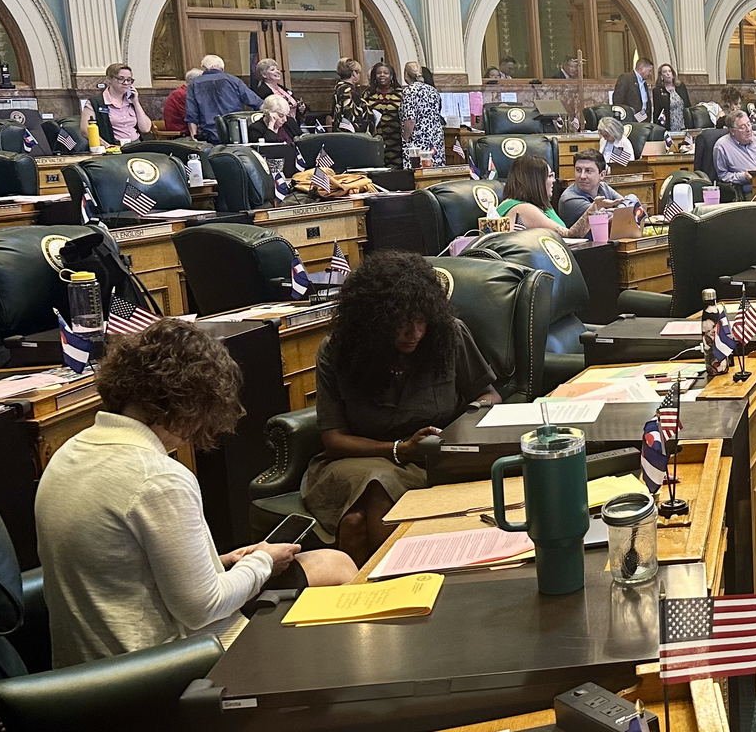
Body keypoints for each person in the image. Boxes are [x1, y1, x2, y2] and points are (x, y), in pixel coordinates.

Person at [36, 321, 356, 666]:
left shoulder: (69, 452)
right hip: (161, 666)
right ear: (191, 403)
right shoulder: (158, 478)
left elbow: (122, 569)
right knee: (338, 593)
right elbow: (203, 608)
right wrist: (264, 561)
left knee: (333, 563)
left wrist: (221, 562)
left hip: (87, 666)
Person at [303, 252, 502, 560]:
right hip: (361, 459)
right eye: (402, 322)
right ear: (375, 319)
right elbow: (334, 439)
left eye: (422, 320)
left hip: (431, 457)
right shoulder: (337, 350)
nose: (415, 333)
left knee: (354, 523)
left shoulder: (449, 334)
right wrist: (398, 449)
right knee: (377, 482)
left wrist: (454, 434)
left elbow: (489, 396)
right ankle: (403, 577)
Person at [496, 155, 591, 237]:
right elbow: (571, 235)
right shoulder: (523, 209)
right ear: (535, 182)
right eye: (549, 176)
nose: (554, 180)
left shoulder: (542, 205)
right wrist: (594, 209)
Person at [185, 54, 263, 143]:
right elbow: (257, 103)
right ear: (222, 67)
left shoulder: (194, 84)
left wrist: (194, 136)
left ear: (204, 67)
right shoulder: (234, 80)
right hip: (235, 132)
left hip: (209, 134)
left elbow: (191, 114)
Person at [83, 62, 153, 145]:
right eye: (120, 79)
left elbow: (145, 129)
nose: (125, 83)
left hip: (136, 144)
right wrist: (107, 146)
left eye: (129, 80)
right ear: (109, 79)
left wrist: (136, 102)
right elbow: (85, 130)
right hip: (113, 145)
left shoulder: (131, 100)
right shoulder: (96, 102)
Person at [713, 110, 756, 195]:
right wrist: (743, 177)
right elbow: (723, 176)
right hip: (753, 188)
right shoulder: (722, 147)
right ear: (732, 131)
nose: (748, 129)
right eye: (743, 127)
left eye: (749, 124)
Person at [558, 149, 624, 223]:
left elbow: (630, 201)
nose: (582, 176)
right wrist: (620, 210)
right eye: (578, 170)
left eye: (588, 171)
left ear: (602, 175)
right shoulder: (570, 199)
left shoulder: (603, 187)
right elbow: (612, 217)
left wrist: (621, 209)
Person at [400, 61, 444, 167]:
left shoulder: (409, 91)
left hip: (418, 140)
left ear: (406, 74)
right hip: (435, 138)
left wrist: (405, 138)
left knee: (417, 171)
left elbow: (410, 120)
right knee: (434, 170)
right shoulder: (433, 91)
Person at [250, 57, 303, 138]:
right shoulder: (261, 91)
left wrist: (301, 108)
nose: (277, 71)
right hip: (277, 126)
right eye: (272, 69)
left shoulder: (284, 89)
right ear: (264, 75)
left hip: (292, 125)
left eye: (277, 69)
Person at [365, 61, 404, 165]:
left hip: (396, 140)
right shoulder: (368, 94)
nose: (382, 75)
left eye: (386, 73)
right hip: (375, 140)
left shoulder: (401, 93)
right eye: (379, 73)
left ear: (391, 76)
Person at [331, 57, 369, 132]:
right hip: (349, 133)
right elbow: (352, 116)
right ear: (354, 73)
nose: (359, 75)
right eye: (358, 72)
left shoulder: (338, 88)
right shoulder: (348, 92)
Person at [159, 67, 199, 137]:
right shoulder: (182, 94)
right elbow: (191, 117)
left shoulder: (185, 92)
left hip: (186, 131)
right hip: (180, 135)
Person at [650, 62, 690, 131]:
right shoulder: (657, 91)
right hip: (668, 126)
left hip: (683, 125)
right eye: (665, 72)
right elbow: (657, 112)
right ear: (661, 76)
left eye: (669, 71)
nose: (668, 73)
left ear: (673, 74)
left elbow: (688, 105)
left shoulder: (681, 87)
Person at [614, 56, 653, 122]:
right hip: (628, 120)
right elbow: (618, 99)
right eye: (649, 70)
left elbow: (644, 105)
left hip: (641, 120)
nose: (650, 74)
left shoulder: (644, 83)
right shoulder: (626, 78)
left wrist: (644, 119)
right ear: (642, 68)